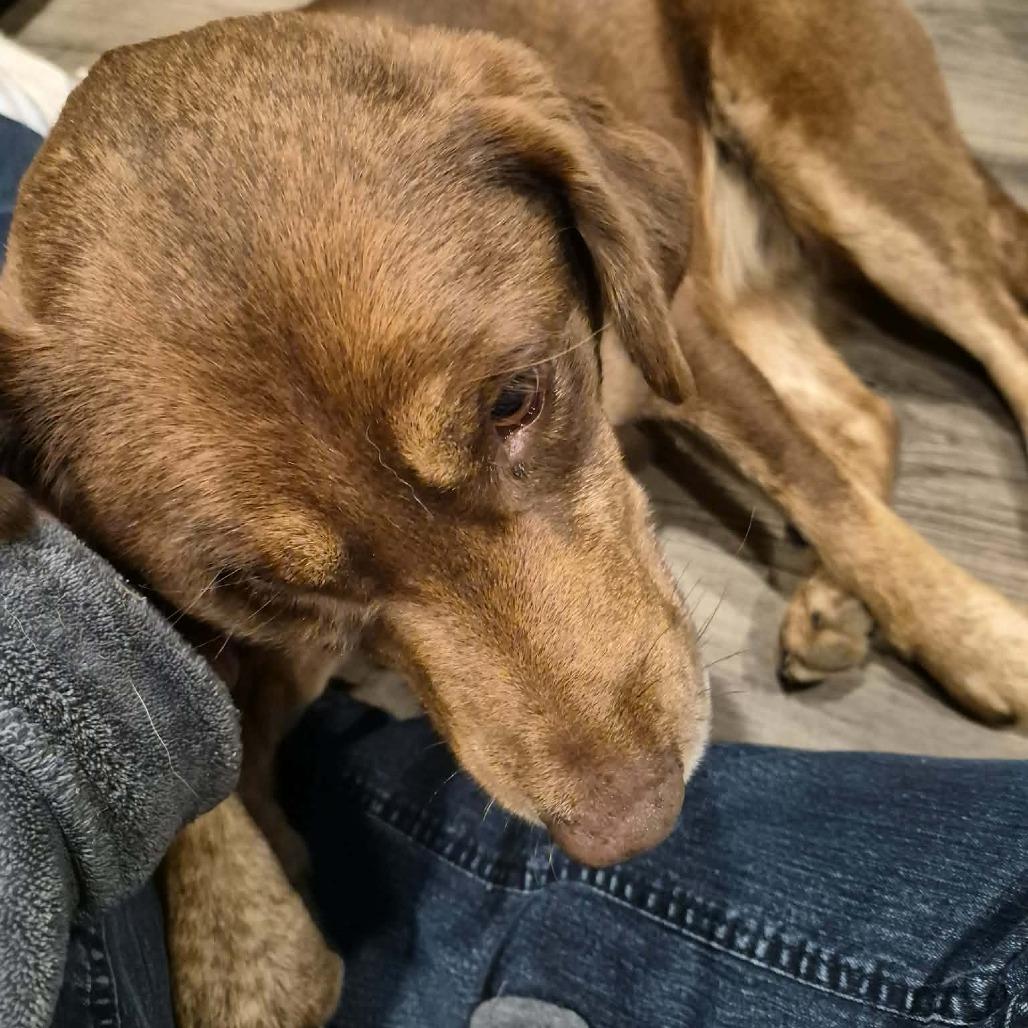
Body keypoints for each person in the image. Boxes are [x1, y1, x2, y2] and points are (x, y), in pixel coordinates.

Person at [0, 42, 1026, 1028]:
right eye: (286, 578)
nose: (612, 795)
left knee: (952, 267)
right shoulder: (83, 440)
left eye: (505, 410)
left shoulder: (486, 179)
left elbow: (673, 341)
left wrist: (897, 574)